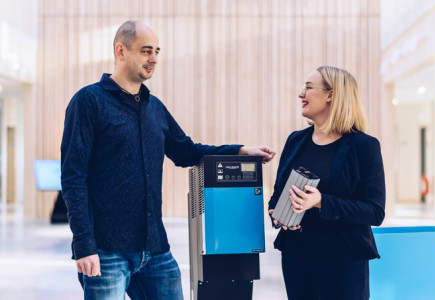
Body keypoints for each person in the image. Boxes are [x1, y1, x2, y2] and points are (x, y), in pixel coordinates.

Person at [60, 20, 275, 300]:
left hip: (155, 250)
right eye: (146, 51)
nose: (154, 59)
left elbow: (187, 151)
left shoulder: (155, 108)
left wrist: (239, 151)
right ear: (121, 51)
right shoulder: (88, 102)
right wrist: (84, 245)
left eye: (157, 52)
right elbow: (73, 178)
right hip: (105, 251)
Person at [268, 66, 385, 300]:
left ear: (331, 95)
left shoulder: (364, 146)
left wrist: (321, 202)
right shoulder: (296, 140)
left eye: (309, 88)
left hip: (343, 262)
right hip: (296, 258)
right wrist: (277, 214)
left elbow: (375, 212)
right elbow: (277, 194)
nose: (301, 94)